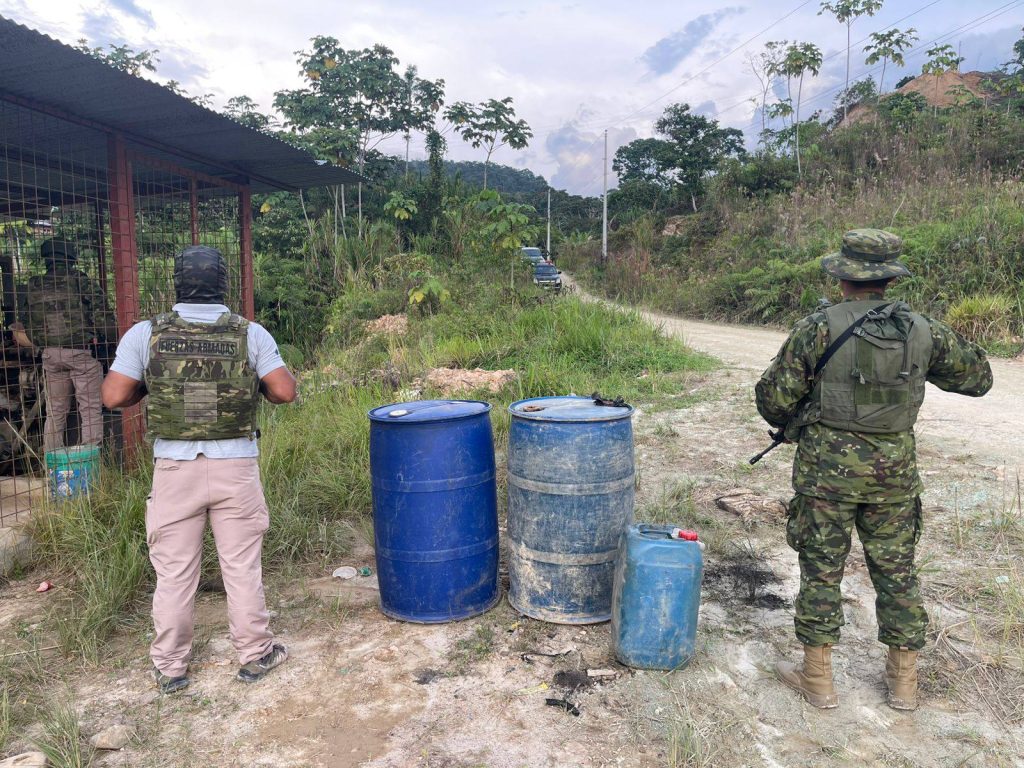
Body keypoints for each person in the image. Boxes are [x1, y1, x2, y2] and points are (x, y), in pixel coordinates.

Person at [755, 229, 993, 711]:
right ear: (888, 279)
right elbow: (979, 379)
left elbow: (773, 398)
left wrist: (802, 418)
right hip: (895, 476)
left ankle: (818, 679)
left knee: (821, 570)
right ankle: (904, 684)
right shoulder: (923, 329)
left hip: (825, 475)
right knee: (897, 572)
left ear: (842, 277)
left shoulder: (818, 327)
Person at [101, 245, 297, 693]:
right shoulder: (251, 333)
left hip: (174, 467)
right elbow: (284, 391)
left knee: (174, 571)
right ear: (224, 283)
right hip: (235, 466)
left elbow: (112, 396)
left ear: (176, 282)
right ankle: (255, 654)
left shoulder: (145, 334)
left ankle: (171, 667)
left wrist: (145, 390)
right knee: (242, 566)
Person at [14, 239, 116, 452]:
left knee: (55, 412)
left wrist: (42, 342)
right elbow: (103, 317)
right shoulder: (81, 281)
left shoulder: (34, 285)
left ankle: (52, 463)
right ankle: (90, 463)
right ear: (70, 257)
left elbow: (25, 320)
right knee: (89, 410)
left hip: (50, 355)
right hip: (81, 353)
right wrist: (113, 343)